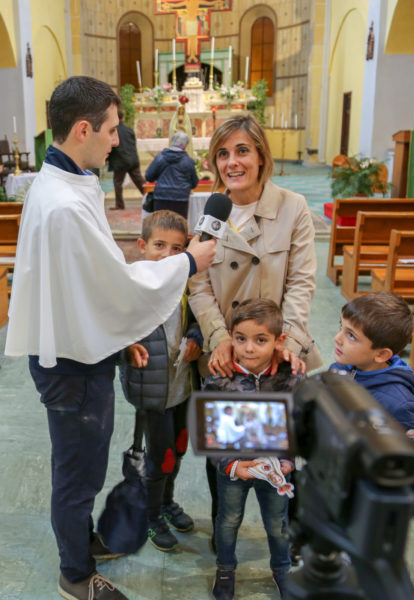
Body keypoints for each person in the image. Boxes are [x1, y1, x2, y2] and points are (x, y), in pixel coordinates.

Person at [4, 75, 216, 600]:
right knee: (77, 476)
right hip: (71, 366)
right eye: (112, 130)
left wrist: (119, 339)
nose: (117, 140)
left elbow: (80, 285)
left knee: (84, 466)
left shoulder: (66, 181)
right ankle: (75, 576)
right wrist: (189, 261)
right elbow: (116, 284)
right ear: (83, 129)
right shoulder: (64, 203)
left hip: (75, 347)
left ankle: (81, 542)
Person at [187, 113, 322, 546]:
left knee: (284, 444)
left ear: (261, 155)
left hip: (276, 350)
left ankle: (291, 532)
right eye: (223, 154)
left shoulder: (292, 207)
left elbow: (301, 281)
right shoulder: (209, 210)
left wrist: (289, 342)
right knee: (226, 446)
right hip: (228, 353)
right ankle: (223, 531)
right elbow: (197, 283)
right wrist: (218, 338)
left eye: (242, 151)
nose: (232, 162)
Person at [203, 299, 304, 600]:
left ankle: (282, 570)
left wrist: (289, 461)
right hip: (234, 469)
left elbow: (301, 427)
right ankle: (225, 569)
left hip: (276, 470)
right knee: (228, 521)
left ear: (279, 341)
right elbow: (210, 432)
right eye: (240, 339)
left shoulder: (291, 377)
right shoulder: (218, 379)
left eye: (261, 340)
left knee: (277, 523)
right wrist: (231, 465)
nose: (249, 349)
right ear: (230, 337)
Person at [117, 210, 202, 553]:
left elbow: (196, 319)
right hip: (152, 391)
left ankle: (166, 502)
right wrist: (126, 350)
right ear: (142, 246)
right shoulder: (133, 287)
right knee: (158, 457)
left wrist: (195, 336)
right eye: (159, 245)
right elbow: (115, 332)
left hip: (183, 386)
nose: (168, 255)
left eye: (177, 248)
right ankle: (151, 517)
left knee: (177, 449)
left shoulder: (186, 285)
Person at [330, 291, 414, 448]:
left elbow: (407, 457)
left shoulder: (399, 406)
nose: (337, 338)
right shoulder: (340, 368)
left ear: (381, 354)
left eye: (351, 336)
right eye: (341, 326)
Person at [145, 131, 198, 218]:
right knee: (178, 224)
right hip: (181, 199)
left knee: (160, 223)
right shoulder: (188, 161)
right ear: (186, 145)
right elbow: (194, 183)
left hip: (161, 197)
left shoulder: (160, 157)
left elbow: (149, 176)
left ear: (171, 142)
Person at [107, 109, 145, 210]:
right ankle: (151, 199)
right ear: (123, 118)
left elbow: (111, 146)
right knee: (140, 182)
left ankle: (120, 204)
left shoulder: (113, 130)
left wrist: (108, 159)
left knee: (118, 183)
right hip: (132, 159)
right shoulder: (129, 130)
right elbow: (133, 144)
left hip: (120, 160)